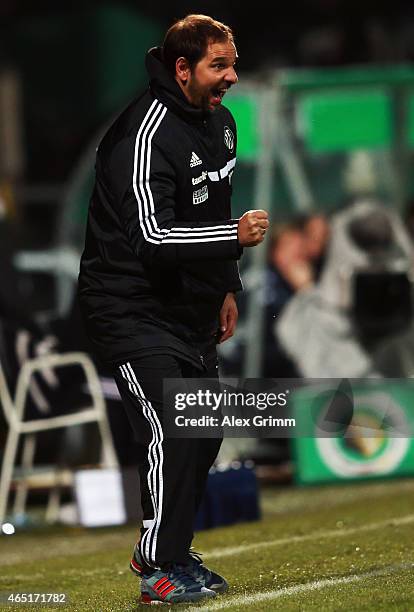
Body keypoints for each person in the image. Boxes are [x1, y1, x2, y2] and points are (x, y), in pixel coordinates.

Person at [78, 14, 268, 605]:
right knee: (173, 428)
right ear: (182, 68)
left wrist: (227, 286)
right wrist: (232, 238)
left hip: (188, 305)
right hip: (129, 304)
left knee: (205, 432)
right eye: (219, 65)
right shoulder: (146, 133)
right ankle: (156, 570)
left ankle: (173, 552)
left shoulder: (223, 125)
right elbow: (152, 238)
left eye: (233, 63)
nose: (232, 77)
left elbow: (213, 205)